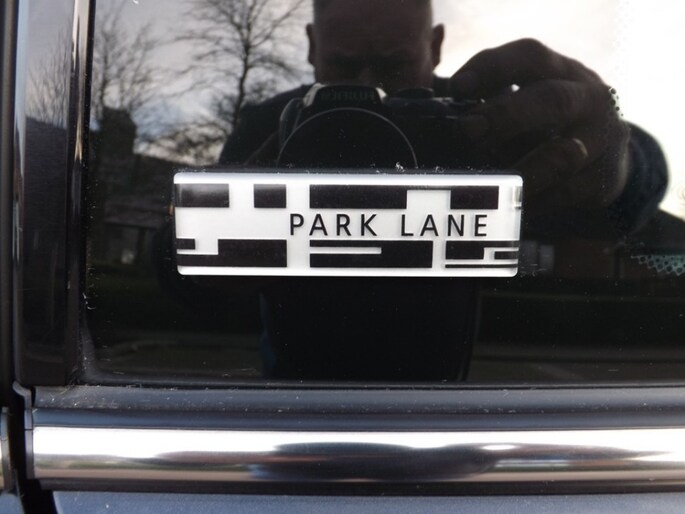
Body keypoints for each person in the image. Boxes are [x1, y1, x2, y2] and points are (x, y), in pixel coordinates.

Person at [216, 0, 675, 380]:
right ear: (313, 46)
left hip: (388, 407)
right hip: (322, 403)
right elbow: (198, 265)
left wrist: (614, 164)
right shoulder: (268, 127)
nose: (368, 88)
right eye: (344, 66)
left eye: (394, 66)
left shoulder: (473, 123)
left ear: (436, 46)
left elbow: (622, 191)